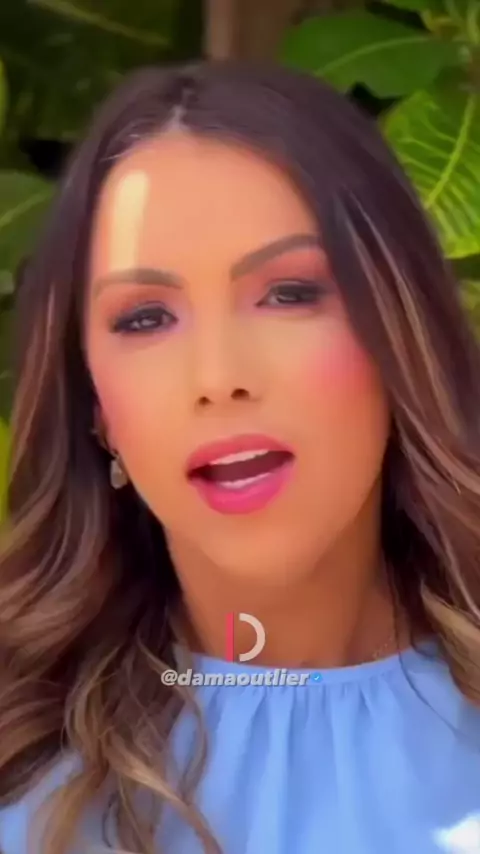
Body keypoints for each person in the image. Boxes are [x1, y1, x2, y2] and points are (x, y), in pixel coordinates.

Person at [0, 60, 479, 854]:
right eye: (145, 318)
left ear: (401, 333)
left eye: (289, 294)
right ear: (96, 408)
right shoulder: (23, 774)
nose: (219, 378)